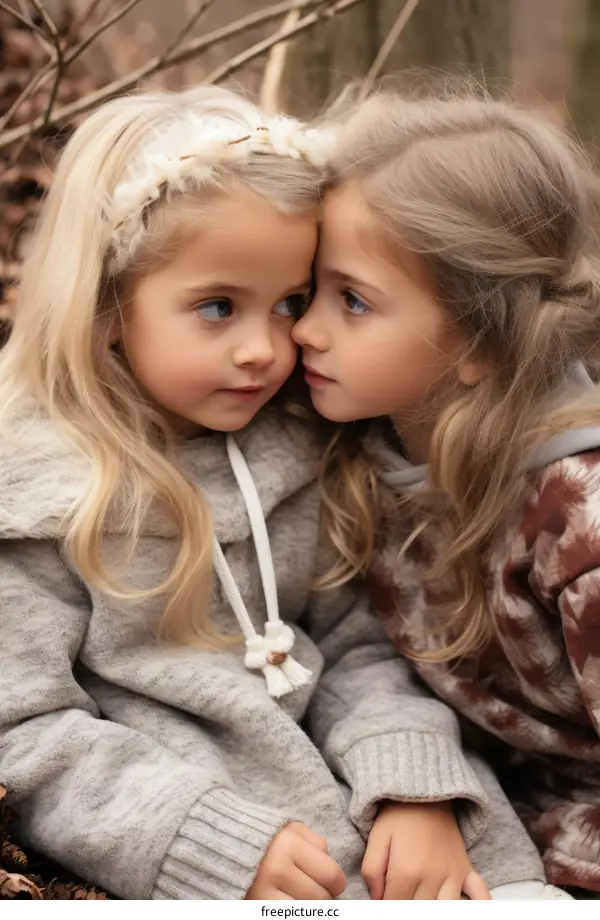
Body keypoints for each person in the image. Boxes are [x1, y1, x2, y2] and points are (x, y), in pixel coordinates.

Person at [293, 86, 600, 897]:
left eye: (352, 301)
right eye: (308, 290)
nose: (302, 330)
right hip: (474, 802)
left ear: (478, 341)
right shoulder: (363, 437)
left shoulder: (578, 521)